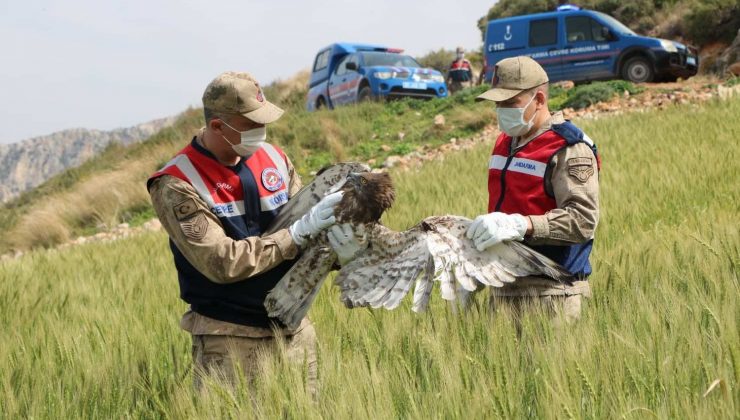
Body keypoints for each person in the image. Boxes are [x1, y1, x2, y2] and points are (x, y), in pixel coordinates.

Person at [147, 71, 344, 393]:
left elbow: (309, 223)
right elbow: (221, 262)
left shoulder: (275, 158)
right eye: (252, 125)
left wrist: (337, 247)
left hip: (295, 333)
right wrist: (296, 235)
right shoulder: (177, 183)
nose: (261, 133)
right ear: (217, 127)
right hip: (231, 340)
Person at [467, 56, 600, 323]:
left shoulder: (569, 148)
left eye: (510, 103)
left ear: (538, 99)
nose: (501, 110)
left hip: (552, 296)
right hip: (503, 291)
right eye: (498, 104)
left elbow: (583, 221)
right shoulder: (505, 142)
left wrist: (521, 225)